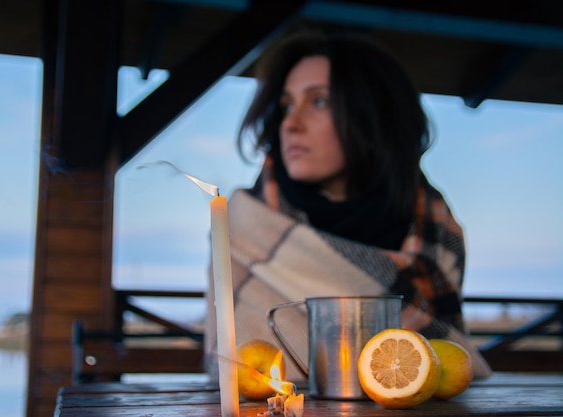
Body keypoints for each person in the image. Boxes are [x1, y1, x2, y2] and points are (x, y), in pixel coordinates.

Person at [205, 29, 492, 382]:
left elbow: (440, 365)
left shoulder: (434, 229)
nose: (290, 125)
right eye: (286, 106)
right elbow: (235, 370)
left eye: (319, 101)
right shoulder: (244, 227)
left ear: (373, 113)